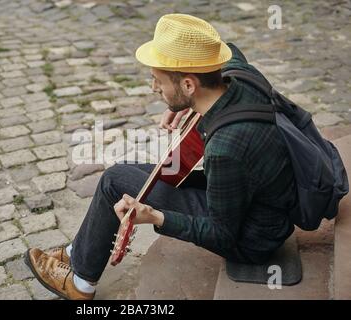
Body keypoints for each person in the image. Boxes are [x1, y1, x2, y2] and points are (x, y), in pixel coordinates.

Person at [25, 13, 297, 300]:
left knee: (115, 180)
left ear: (190, 84)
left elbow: (222, 234)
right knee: (126, 174)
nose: (154, 88)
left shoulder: (224, 150)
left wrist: (155, 216)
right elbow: (229, 49)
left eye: (159, 81)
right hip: (258, 198)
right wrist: (189, 104)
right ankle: (76, 253)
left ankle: (80, 284)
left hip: (254, 238)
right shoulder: (240, 74)